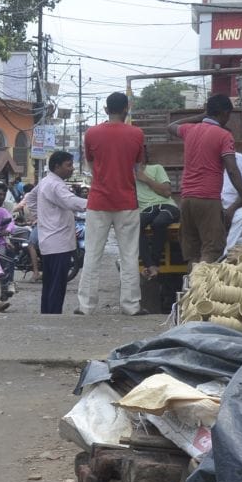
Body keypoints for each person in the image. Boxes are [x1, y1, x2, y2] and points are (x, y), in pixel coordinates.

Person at [78, 92, 147, 316]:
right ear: (127, 108)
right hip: (127, 201)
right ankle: (131, 305)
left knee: (92, 255)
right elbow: (139, 168)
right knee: (129, 255)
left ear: (106, 110)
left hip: (98, 201)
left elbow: (90, 164)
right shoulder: (137, 134)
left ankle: (86, 306)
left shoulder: (92, 133)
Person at [168, 95, 242, 265]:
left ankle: (191, 288)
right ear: (225, 113)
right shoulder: (223, 135)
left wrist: (200, 117)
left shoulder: (190, 130)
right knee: (212, 250)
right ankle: (202, 288)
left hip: (187, 199)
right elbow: (232, 169)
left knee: (192, 252)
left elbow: (171, 127)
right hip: (208, 199)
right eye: (229, 114)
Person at [27, 150, 87, 314]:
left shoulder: (46, 181)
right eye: (68, 165)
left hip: (50, 240)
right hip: (59, 242)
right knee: (56, 285)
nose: (72, 169)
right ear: (57, 166)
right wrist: (97, 202)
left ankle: (47, 314)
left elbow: (30, 198)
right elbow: (72, 202)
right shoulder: (55, 184)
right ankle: (53, 316)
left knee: (50, 283)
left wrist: (41, 217)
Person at [135, 156, 177, 279]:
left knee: (159, 223)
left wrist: (145, 179)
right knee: (135, 225)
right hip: (147, 210)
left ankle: (154, 263)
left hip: (167, 206)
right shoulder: (126, 176)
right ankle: (151, 265)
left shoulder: (156, 168)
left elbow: (167, 192)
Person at [219, 150, 242, 257]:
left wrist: (231, 209)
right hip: (213, 205)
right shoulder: (206, 158)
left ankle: (227, 257)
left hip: (236, 206)